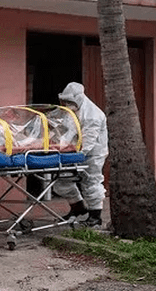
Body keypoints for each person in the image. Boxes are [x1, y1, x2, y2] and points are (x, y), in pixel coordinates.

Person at [54, 82, 109, 227]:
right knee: (62, 183)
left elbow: (88, 141)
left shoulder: (93, 115)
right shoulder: (70, 113)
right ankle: (78, 208)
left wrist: (76, 155)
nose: (67, 104)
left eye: (69, 101)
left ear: (78, 98)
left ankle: (95, 217)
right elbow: (66, 133)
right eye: (65, 102)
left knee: (91, 182)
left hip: (93, 154)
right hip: (73, 152)